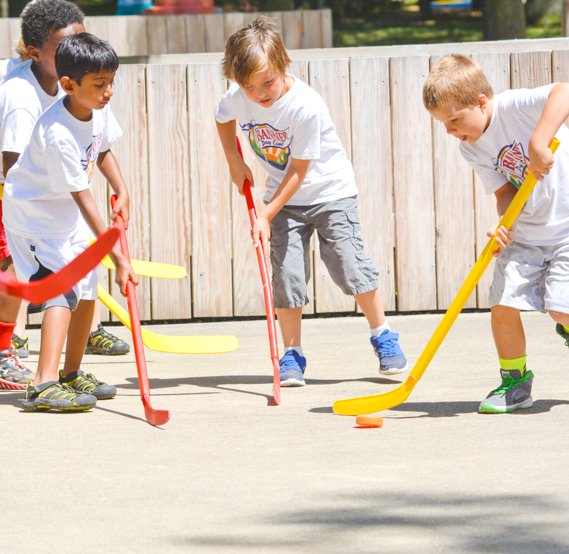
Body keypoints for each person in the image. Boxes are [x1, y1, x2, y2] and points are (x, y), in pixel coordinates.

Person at [216, 16, 408, 387]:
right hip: (284, 201)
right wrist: (233, 159)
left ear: (284, 64)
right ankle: (292, 354)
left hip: (329, 194)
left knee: (350, 265)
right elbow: (224, 118)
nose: (260, 93)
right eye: (249, 86)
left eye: (267, 82)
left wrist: (265, 213)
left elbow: (298, 172)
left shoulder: (305, 106)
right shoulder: (240, 96)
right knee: (287, 276)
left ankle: (383, 334)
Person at [423, 54, 569, 413]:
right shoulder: (470, 146)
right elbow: (505, 191)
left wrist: (539, 140)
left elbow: (564, 91)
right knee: (502, 306)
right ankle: (515, 383)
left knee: (560, 311)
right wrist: (505, 223)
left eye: (454, 119)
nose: (451, 130)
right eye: (444, 124)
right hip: (527, 236)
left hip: (566, 229)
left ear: (482, 102)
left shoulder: (514, 107)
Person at [3, 32, 137, 411]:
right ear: (68, 84)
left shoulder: (96, 106)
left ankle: (71, 374)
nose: (108, 91)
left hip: (64, 207)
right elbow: (84, 197)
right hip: (34, 214)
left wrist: (122, 187)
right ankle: (42, 384)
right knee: (59, 286)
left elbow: (103, 147)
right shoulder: (57, 132)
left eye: (111, 82)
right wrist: (119, 259)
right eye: (100, 84)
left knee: (88, 287)